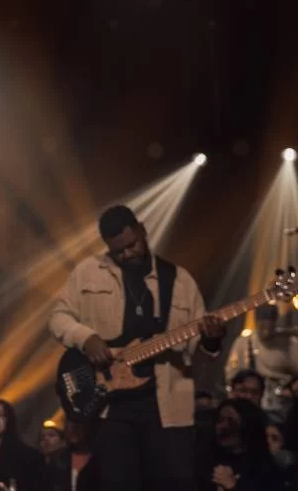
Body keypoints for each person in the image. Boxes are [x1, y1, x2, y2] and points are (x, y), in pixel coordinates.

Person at [47, 204, 226, 491]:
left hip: (169, 410)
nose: (127, 254)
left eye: (132, 245)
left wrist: (211, 340)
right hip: (111, 411)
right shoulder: (88, 272)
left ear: (142, 231)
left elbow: (198, 354)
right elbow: (58, 317)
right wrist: (87, 338)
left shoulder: (179, 281)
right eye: (118, 251)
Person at [226, 304, 298, 417]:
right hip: (251, 400)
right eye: (263, 319)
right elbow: (231, 375)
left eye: (270, 319)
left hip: (283, 404)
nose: (266, 324)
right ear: (256, 320)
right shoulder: (244, 343)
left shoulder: (289, 343)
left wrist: (292, 390)